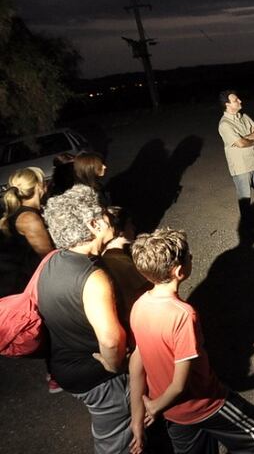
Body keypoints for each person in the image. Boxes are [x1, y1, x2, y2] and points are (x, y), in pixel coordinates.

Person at [129, 228, 254, 454]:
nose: (191, 257)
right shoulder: (183, 315)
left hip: (172, 414)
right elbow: (180, 384)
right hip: (203, 403)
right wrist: (154, 406)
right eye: (188, 256)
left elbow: (137, 363)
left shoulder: (139, 305)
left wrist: (137, 417)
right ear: (178, 271)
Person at [37, 185, 130, 454]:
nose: (108, 218)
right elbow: (111, 342)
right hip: (94, 376)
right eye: (103, 214)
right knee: (115, 442)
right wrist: (114, 365)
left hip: (64, 366)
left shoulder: (54, 260)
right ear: (94, 223)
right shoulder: (92, 277)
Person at [218, 90, 254, 228]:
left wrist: (247, 139)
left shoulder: (244, 117)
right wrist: (251, 139)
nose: (240, 101)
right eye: (236, 100)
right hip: (241, 166)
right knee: (245, 199)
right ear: (227, 104)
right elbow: (241, 143)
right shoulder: (224, 124)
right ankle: (248, 228)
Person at [1, 167, 55, 296]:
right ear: (40, 187)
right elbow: (48, 257)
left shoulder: (21, 212)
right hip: (24, 286)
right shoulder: (28, 218)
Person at [100, 206, 149, 344]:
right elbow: (147, 291)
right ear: (120, 231)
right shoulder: (123, 264)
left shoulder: (104, 256)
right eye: (129, 223)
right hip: (136, 322)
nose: (133, 227)